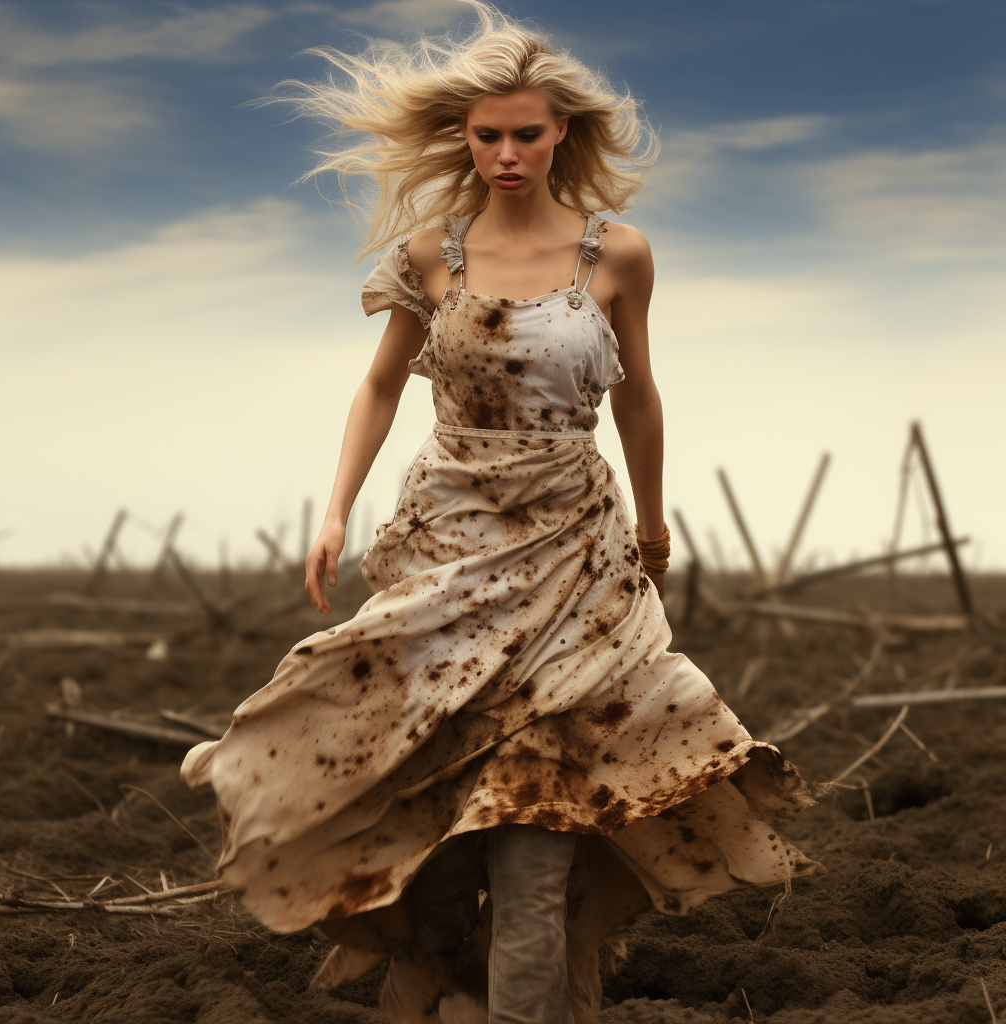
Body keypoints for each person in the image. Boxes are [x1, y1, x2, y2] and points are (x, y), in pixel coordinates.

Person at [182, 5, 823, 1022]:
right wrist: (333, 510)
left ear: (561, 131)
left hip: (574, 562)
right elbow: (382, 386)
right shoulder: (429, 256)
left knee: (534, 840)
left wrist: (654, 528)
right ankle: (442, 989)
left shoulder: (616, 256)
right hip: (446, 558)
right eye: (488, 135)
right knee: (429, 830)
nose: (508, 153)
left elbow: (639, 398)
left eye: (527, 132)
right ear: (465, 138)